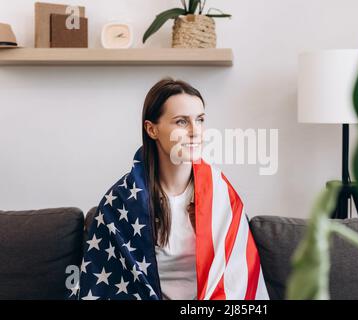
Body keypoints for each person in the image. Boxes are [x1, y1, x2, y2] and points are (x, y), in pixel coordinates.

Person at [74, 78, 269, 300]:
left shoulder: (222, 195)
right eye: (181, 122)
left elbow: (238, 279)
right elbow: (104, 284)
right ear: (152, 129)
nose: (196, 132)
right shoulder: (120, 201)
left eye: (200, 120)